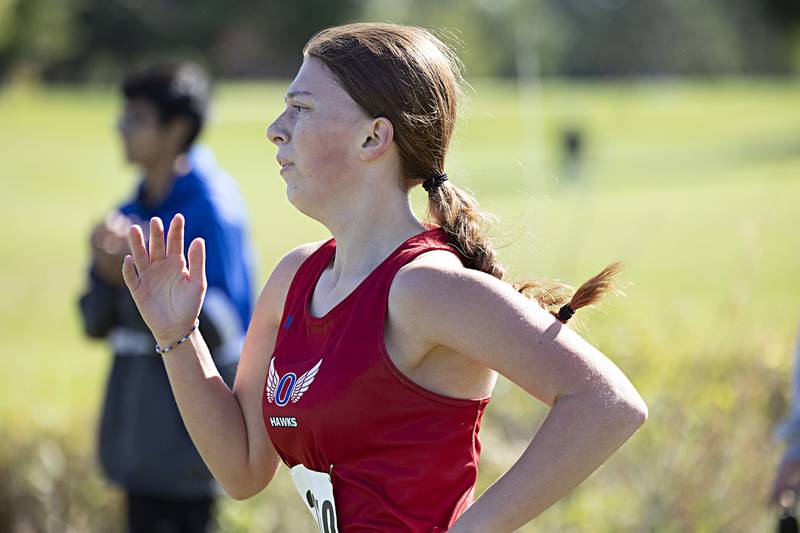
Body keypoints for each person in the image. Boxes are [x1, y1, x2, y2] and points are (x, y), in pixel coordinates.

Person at [119, 24, 647, 532]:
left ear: (374, 137)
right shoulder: (294, 277)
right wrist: (176, 335)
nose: (275, 129)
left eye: (301, 108)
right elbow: (242, 471)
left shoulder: (427, 287)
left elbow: (608, 404)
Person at [78, 62, 255, 533]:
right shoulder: (129, 209)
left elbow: (226, 325)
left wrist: (131, 280)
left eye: (136, 118)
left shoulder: (212, 210)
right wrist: (103, 272)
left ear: (176, 129)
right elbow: (93, 324)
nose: (121, 128)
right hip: (136, 433)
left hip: (189, 439)